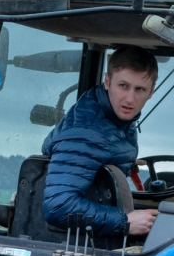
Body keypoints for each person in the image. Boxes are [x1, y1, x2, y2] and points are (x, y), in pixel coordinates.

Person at [41, 45, 159, 240]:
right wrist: (125, 222)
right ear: (107, 81)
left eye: (140, 89)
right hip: (74, 245)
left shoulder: (115, 118)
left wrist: (119, 165)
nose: (130, 99)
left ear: (151, 91)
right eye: (123, 86)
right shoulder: (87, 134)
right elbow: (58, 206)